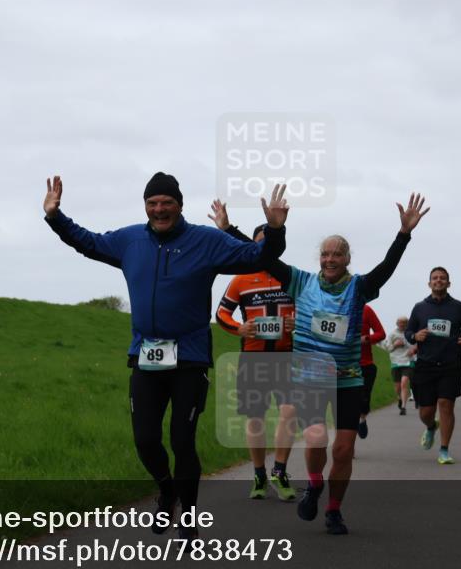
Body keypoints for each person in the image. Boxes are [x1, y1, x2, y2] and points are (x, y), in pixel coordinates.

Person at [43, 174, 289, 540]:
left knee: (182, 441)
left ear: (180, 205)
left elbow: (259, 256)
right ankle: (167, 490)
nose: (159, 209)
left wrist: (274, 230)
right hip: (145, 356)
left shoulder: (206, 241)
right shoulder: (130, 240)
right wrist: (54, 217)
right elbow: (88, 243)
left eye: (167, 202)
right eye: (153, 203)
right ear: (146, 206)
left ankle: (188, 521)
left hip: (189, 358)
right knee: (144, 439)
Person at [219, 193, 429, 534]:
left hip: (348, 379)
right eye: (325, 254)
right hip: (309, 377)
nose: (330, 259)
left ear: (347, 258)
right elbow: (264, 257)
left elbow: (387, 268)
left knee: (344, 450)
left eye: (337, 254)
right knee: (316, 437)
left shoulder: (360, 287)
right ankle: (315, 484)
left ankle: (334, 509)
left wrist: (403, 234)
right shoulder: (299, 281)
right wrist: (251, 228)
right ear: (319, 258)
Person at [213, 219, 299, 501]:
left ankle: (280, 472)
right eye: (260, 243)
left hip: (286, 357)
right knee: (255, 419)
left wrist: (297, 322)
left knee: (288, 413)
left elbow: (310, 311)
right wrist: (239, 327)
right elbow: (221, 314)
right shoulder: (240, 278)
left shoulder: (291, 277)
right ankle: (259, 474)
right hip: (253, 358)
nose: (264, 248)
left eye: (269, 243)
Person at [405, 267, 461, 465]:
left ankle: (444, 450)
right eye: (435, 278)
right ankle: (430, 426)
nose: (438, 280)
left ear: (448, 283)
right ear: (429, 283)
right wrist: (414, 336)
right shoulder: (419, 307)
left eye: (442, 278)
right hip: (425, 365)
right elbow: (409, 331)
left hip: (450, 364)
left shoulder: (458, 307)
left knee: (446, 405)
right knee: (425, 411)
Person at [357, 304, 386, 439]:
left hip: (365, 365)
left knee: (363, 401)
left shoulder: (366, 310)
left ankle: (362, 418)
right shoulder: (331, 306)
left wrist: (367, 338)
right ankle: (347, 447)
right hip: (341, 365)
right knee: (346, 408)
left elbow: (381, 333)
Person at [385, 317, 414, 415]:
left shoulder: (410, 334)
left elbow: (416, 344)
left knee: (404, 382)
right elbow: (388, 348)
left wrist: (413, 350)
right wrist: (395, 345)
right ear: (397, 323)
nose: (402, 325)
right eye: (400, 323)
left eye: (404, 323)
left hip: (408, 361)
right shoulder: (392, 334)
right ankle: (399, 398)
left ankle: (403, 407)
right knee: (398, 387)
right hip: (396, 362)